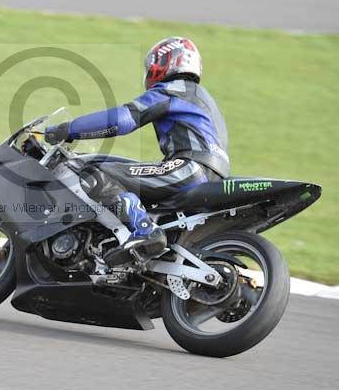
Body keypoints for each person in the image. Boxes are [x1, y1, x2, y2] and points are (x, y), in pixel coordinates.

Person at [45, 37, 229, 263]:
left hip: (188, 168)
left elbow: (123, 119)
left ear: (164, 62)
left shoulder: (172, 90)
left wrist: (69, 129)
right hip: (214, 175)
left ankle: (145, 230)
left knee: (94, 171)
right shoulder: (204, 97)